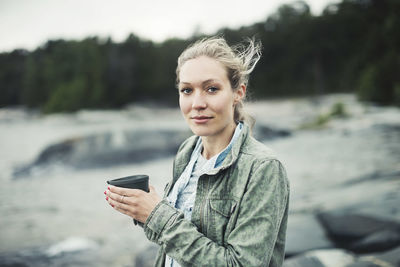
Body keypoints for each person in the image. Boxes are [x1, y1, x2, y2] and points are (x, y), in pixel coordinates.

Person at [105, 36, 290, 267]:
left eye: (211, 89)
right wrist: (143, 210)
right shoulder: (187, 151)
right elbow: (176, 243)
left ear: (238, 93)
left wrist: (157, 215)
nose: (197, 103)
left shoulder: (263, 169)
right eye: (187, 90)